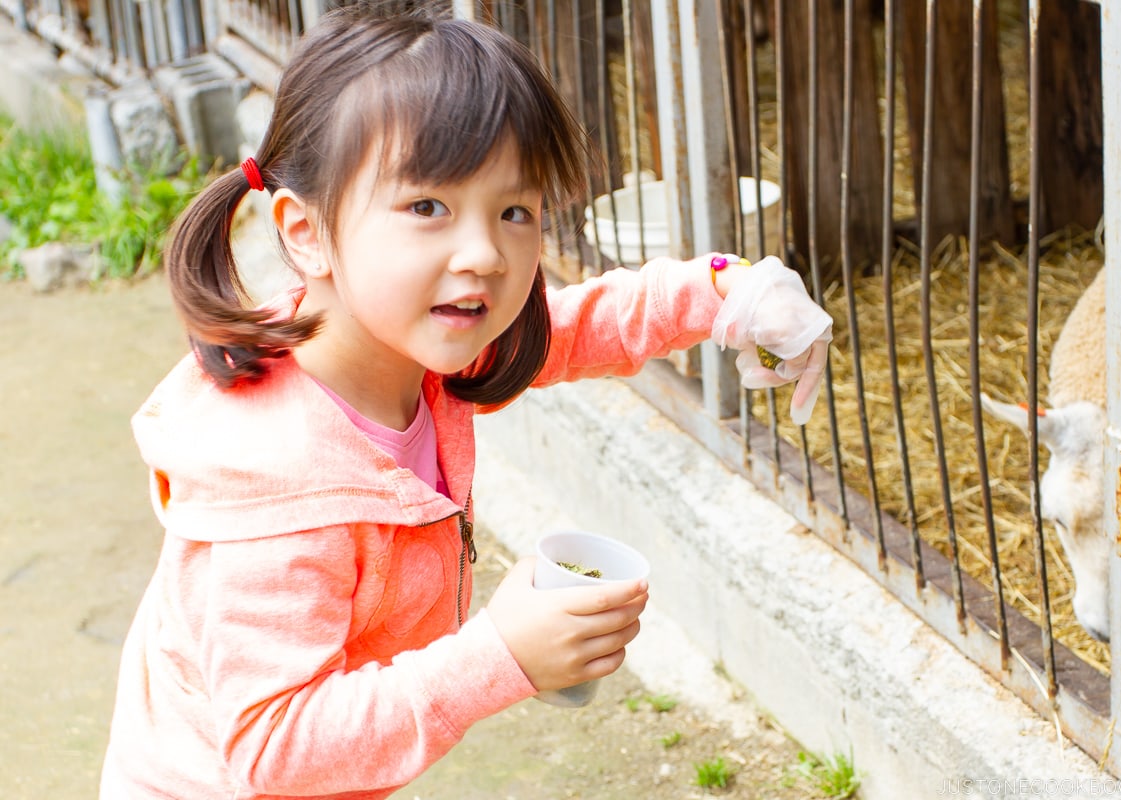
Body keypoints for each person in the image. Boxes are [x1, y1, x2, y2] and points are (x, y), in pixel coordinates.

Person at [99, 6, 832, 799]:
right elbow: (277, 749)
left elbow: (575, 327)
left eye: (513, 211)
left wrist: (724, 288)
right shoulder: (281, 486)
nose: (484, 252)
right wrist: (499, 656)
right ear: (306, 234)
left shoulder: (403, 340)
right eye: (427, 208)